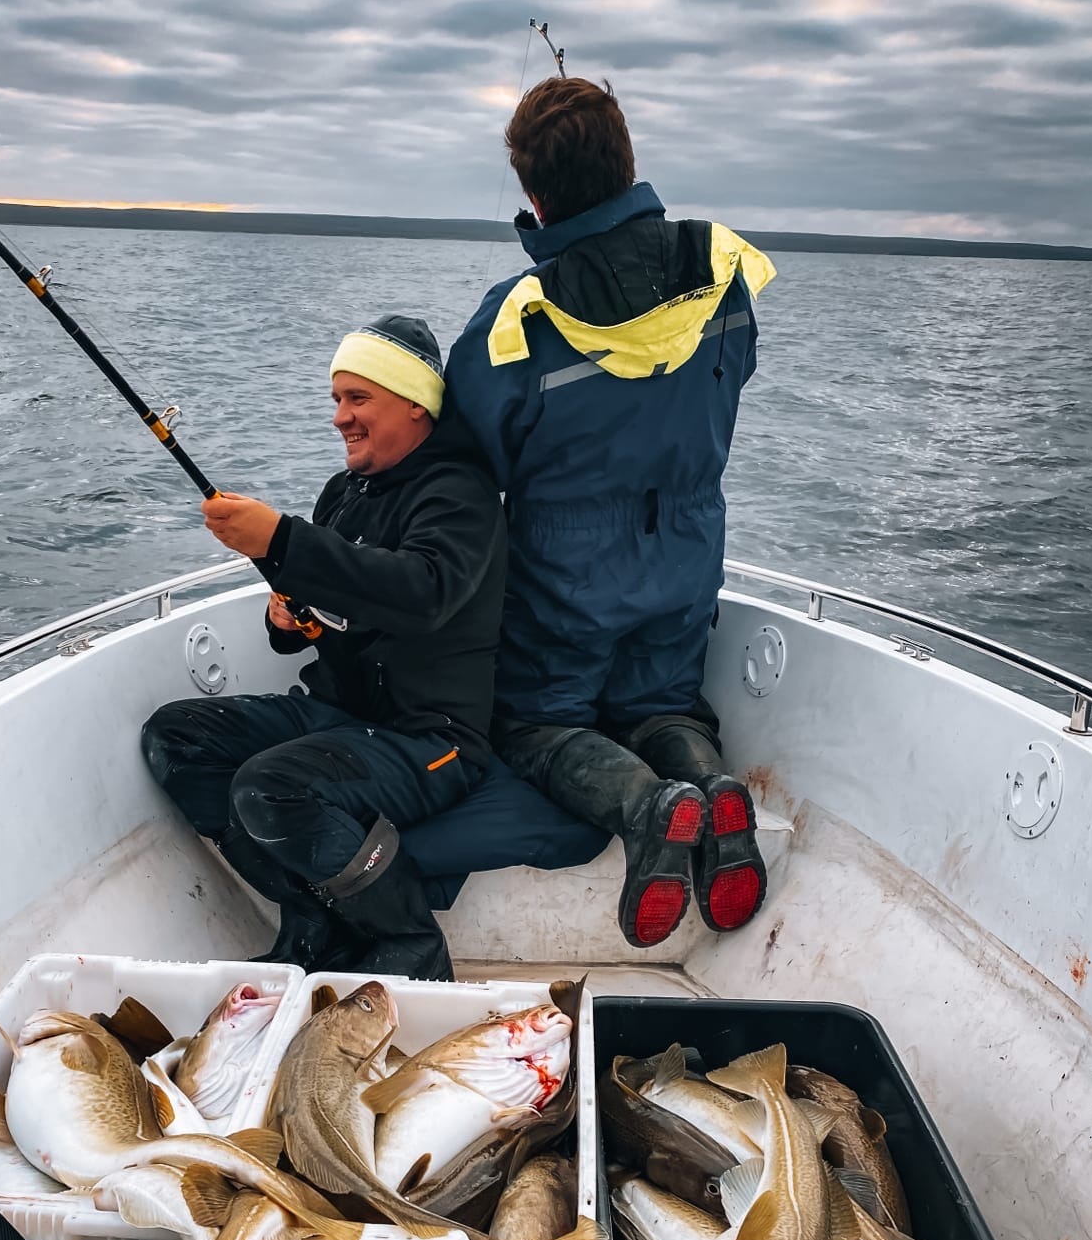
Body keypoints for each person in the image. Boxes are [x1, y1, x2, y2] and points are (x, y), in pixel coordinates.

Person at [446, 75, 777, 948]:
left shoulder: (517, 320)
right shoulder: (723, 276)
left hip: (565, 581)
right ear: (628, 159)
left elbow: (471, 456)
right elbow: (731, 381)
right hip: (686, 560)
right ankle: (710, 791)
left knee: (536, 723)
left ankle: (647, 810)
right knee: (664, 705)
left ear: (534, 194)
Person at [141, 313, 507, 980]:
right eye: (336, 399)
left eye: (358, 398)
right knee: (177, 739)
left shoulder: (461, 493)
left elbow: (424, 592)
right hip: (343, 716)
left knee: (268, 786)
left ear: (417, 405)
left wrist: (282, 541)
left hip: (432, 740)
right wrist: (289, 621)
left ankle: (412, 945)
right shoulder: (342, 494)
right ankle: (311, 916)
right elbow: (341, 602)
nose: (340, 417)